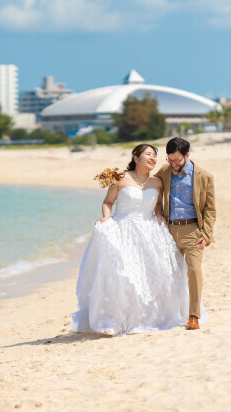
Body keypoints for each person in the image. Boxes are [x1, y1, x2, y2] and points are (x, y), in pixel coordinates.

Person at [72, 143, 190, 336]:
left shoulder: (157, 182)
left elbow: (157, 204)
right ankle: (115, 320)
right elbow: (108, 202)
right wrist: (106, 218)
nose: (152, 158)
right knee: (123, 275)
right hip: (123, 229)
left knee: (151, 275)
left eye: (155, 155)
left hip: (149, 231)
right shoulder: (120, 178)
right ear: (136, 158)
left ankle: (147, 318)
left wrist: (159, 215)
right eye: (148, 154)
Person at [156, 137, 216, 330]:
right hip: (168, 231)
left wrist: (206, 234)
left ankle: (194, 316)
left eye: (177, 160)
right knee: (168, 273)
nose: (173, 164)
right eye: (170, 160)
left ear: (187, 155)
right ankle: (167, 314)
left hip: (193, 232)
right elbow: (148, 185)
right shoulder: (165, 171)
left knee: (194, 271)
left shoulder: (204, 176)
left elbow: (210, 209)